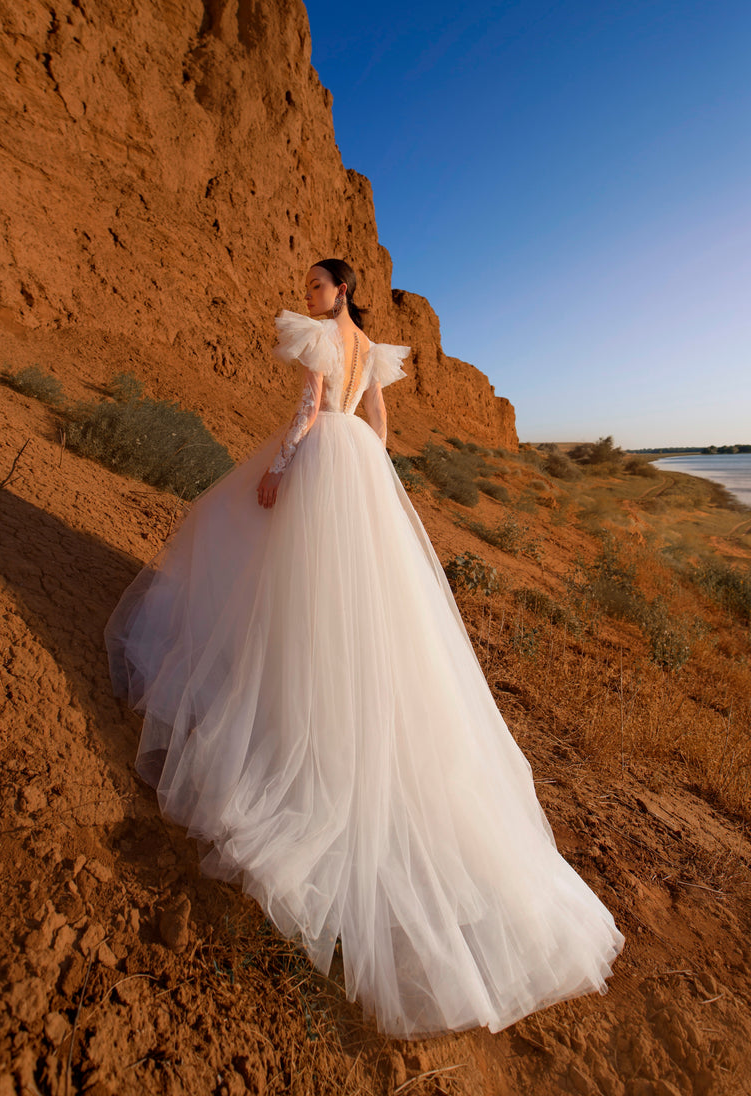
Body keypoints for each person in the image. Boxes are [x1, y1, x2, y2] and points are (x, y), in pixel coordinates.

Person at [104, 258, 625, 1039]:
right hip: (361, 474)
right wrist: (364, 465)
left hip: (321, 462)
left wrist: (281, 470)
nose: (306, 294)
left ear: (339, 289)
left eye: (315, 284)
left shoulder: (321, 338)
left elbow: (310, 408)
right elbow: (380, 427)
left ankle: (280, 699)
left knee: (292, 584)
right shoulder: (371, 347)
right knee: (356, 602)